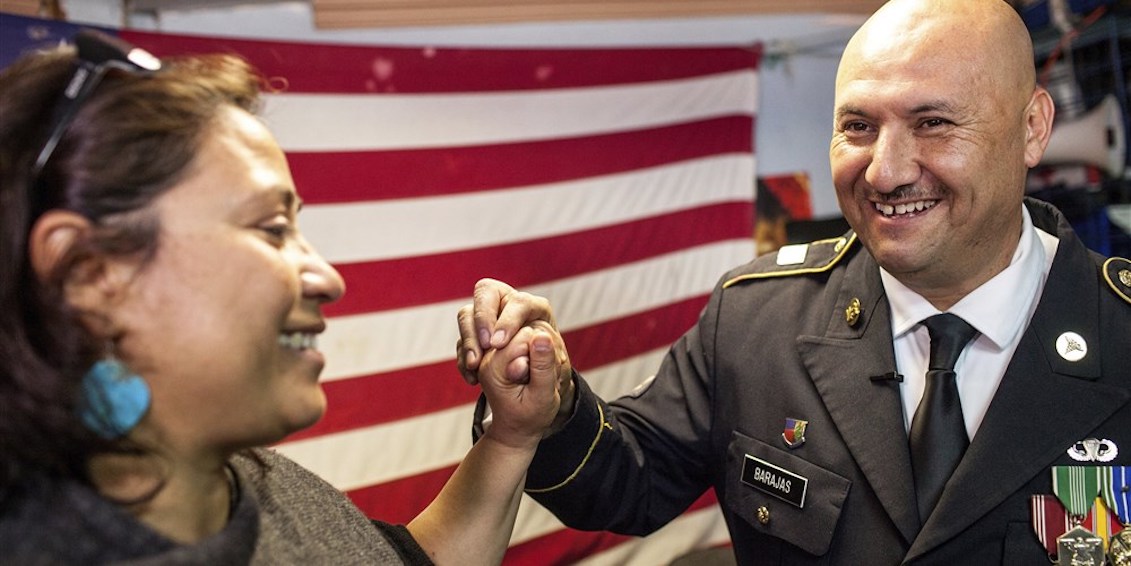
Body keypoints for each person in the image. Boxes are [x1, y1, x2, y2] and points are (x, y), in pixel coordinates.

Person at [457, 0, 1131, 563]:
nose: (886, 171)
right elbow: (626, 481)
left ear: (1032, 129)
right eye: (857, 127)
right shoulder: (756, 320)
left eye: (932, 123)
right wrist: (548, 411)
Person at [0, 29, 564, 565]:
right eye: (272, 229)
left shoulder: (249, 479)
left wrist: (511, 438)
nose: (326, 277)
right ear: (89, 274)